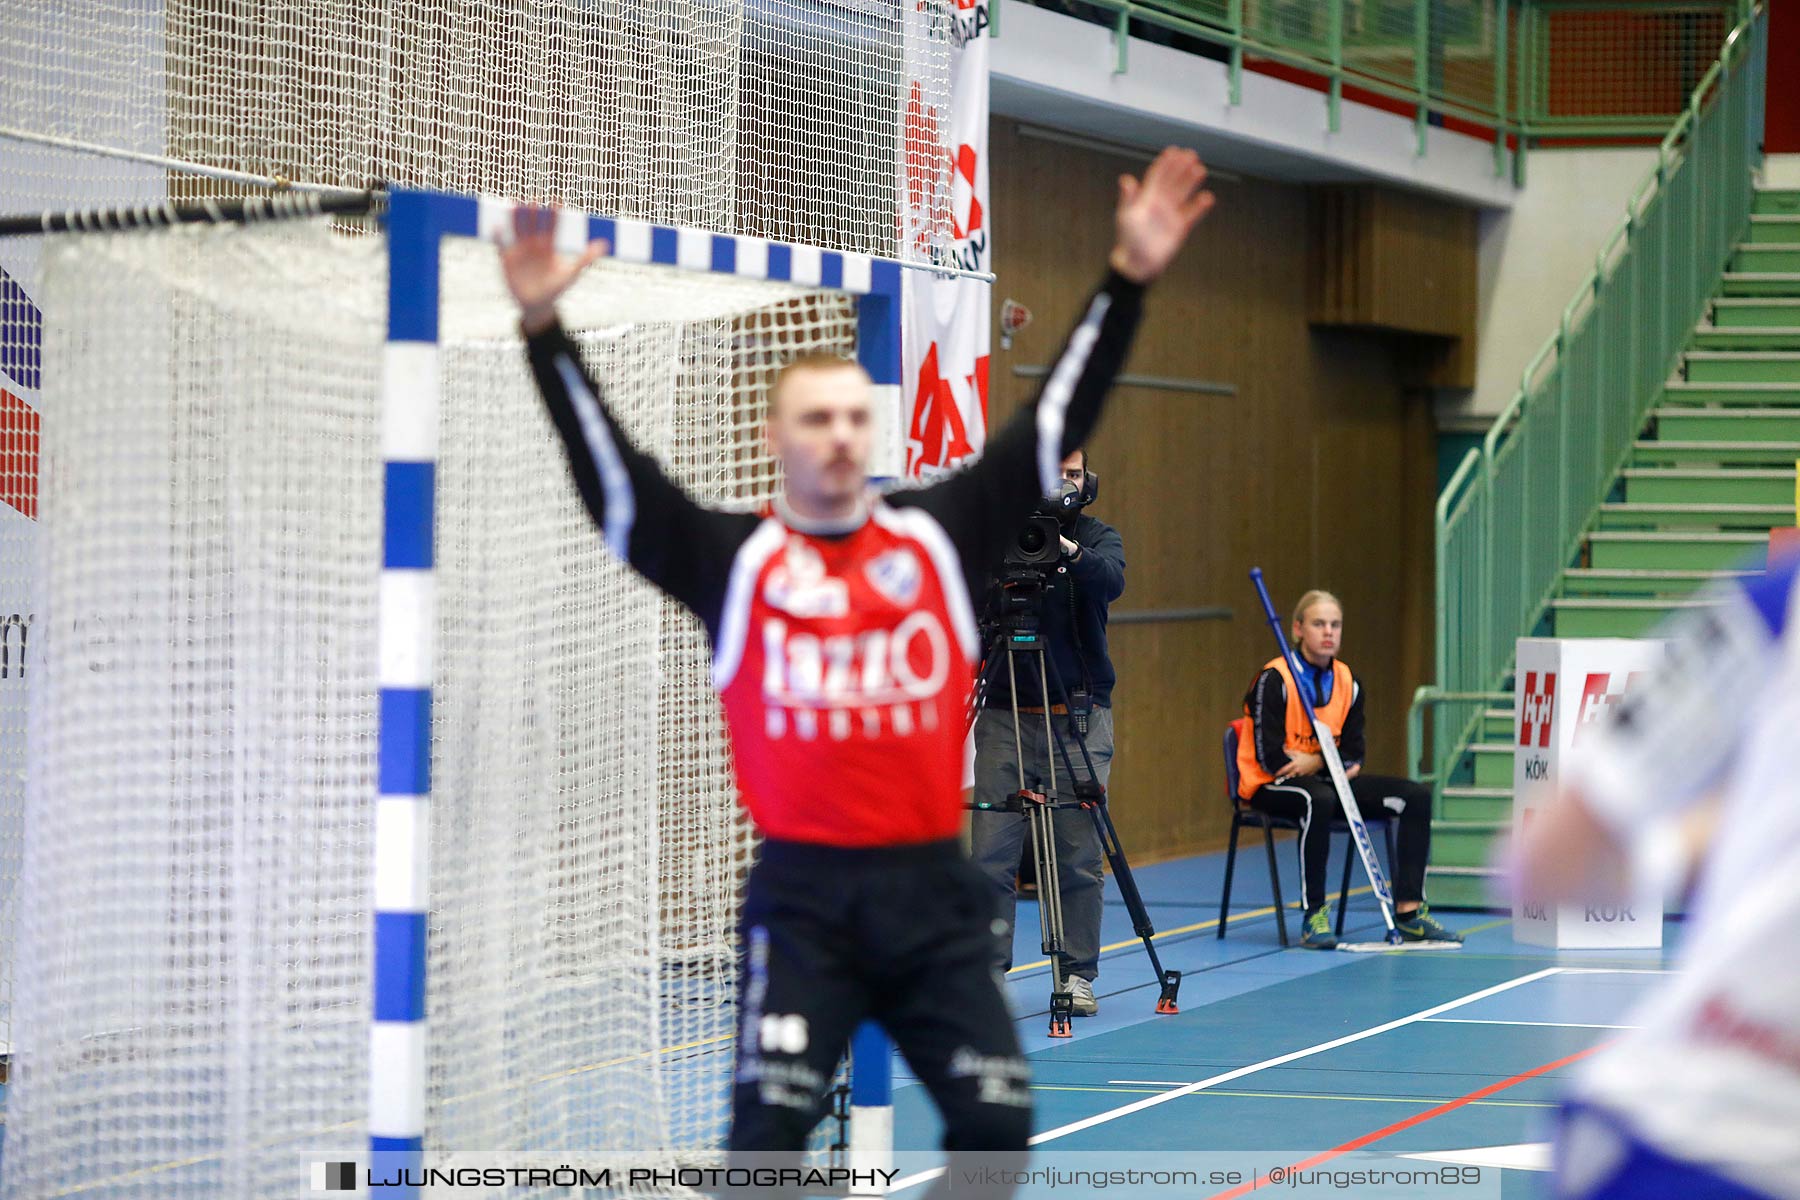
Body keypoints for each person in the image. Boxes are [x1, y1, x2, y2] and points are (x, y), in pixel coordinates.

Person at [499, 148, 1214, 1192]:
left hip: (929, 893)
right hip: (803, 903)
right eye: (813, 419)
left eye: (851, 418)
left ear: (869, 432)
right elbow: (622, 494)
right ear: (774, 438)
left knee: (995, 1126)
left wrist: (1128, 278)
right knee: (763, 1155)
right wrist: (543, 335)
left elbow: (1054, 419)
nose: (837, 436)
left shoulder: (939, 535)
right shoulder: (737, 563)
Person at [1516, 556, 1800, 1200]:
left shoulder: (1784, 599)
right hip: (1701, 1146)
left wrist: (1673, 855)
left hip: (1681, 1130)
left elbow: (1541, 863)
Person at [968, 446, 1124, 1016]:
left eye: (1073, 473)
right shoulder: (998, 535)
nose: (1062, 483)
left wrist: (1063, 549)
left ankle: (1077, 974)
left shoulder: (1099, 536)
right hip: (1006, 713)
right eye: (1051, 472)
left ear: (1088, 481)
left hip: (1076, 716)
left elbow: (1110, 582)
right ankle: (984, 973)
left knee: (1077, 855)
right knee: (990, 853)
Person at [1234, 590, 1460, 949]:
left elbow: (1354, 756)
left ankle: (1409, 912)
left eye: (1335, 625)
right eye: (1319, 624)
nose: (1328, 632)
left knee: (1415, 796)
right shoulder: (1274, 679)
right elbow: (1271, 759)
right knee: (1317, 799)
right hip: (1271, 786)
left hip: (1327, 780)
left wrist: (1316, 760)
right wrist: (1327, 763)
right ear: (1297, 629)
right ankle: (1315, 915)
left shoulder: (1347, 682)